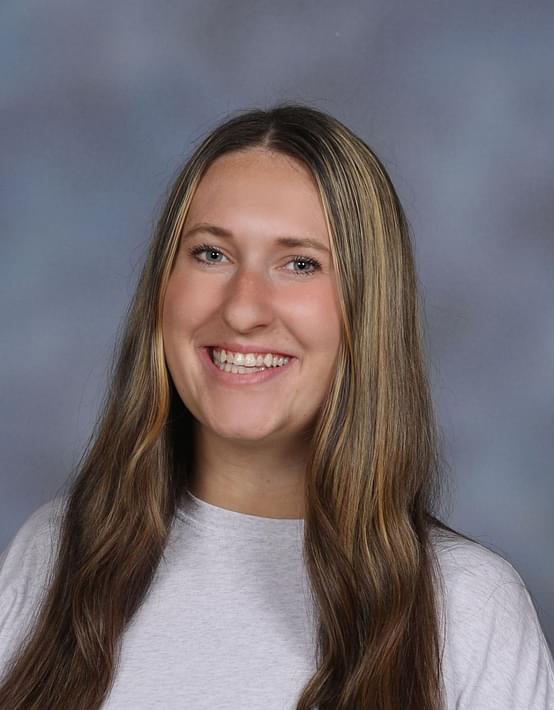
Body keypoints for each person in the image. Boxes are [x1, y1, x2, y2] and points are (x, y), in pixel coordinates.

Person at [0, 103, 552, 710]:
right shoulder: (53, 554)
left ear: (367, 312)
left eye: (300, 264)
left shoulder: (466, 609)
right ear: (162, 287)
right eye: (211, 254)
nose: (243, 309)